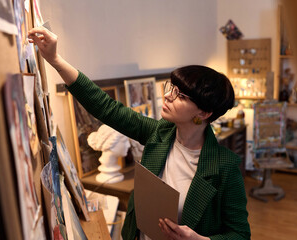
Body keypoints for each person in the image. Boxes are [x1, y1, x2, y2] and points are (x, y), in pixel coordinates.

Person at [28, 27, 251, 240]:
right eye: (171, 88)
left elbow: (240, 234)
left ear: (204, 112)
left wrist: (200, 239)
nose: (168, 97)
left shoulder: (224, 167)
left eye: (181, 96)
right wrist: (55, 59)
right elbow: (107, 108)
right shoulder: (159, 134)